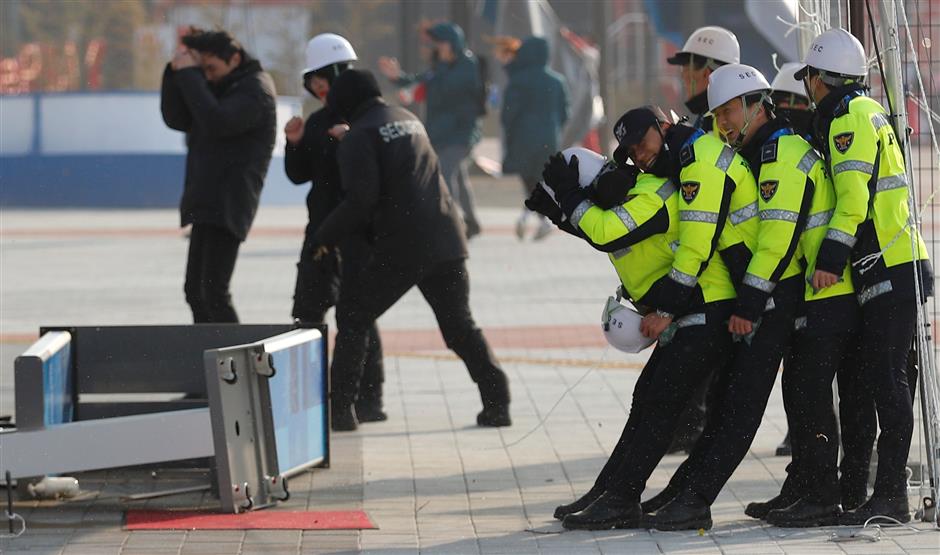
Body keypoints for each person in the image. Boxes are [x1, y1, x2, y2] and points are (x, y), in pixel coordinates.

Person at [550, 106, 757, 530]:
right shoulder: (660, 174)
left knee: (664, 403)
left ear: (662, 128)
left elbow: (616, 231)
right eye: (631, 151)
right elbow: (606, 231)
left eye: (643, 144)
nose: (639, 155)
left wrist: (665, 309)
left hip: (711, 304)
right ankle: (611, 491)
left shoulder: (662, 186)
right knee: (649, 399)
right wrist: (562, 211)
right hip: (702, 303)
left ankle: (625, 497)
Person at [642, 65, 828, 530]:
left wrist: (750, 306)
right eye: (718, 114)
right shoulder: (760, 151)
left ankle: (696, 499)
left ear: (756, 105)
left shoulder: (782, 154)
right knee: (740, 397)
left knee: (742, 403)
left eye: (728, 111)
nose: (723, 122)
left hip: (779, 292)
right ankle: (691, 490)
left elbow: (776, 244)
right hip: (775, 291)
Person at [312, 69, 511, 432]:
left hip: (404, 245)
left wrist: (323, 237)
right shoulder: (407, 119)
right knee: (459, 325)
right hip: (448, 236)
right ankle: (497, 401)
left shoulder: (360, 136)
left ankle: (340, 411)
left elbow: (360, 200)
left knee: (354, 315)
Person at [793, 28, 932, 524]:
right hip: (896, 259)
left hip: (886, 264)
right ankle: (883, 491)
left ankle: (891, 495)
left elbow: (853, 199)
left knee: (890, 383)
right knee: (890, 380)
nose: (808, 88)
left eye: (808, 78)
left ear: (819, 79)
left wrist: (830, 260)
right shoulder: (867, 109)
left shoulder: (846, 118)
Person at [282, 33, 386, 422]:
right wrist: (294, 143)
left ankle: (369, 398)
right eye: (314, 80)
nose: (319, 86)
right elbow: (300, 175)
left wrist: (349, 140)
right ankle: (306, 395)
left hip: (358, 232)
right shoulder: (316, 121)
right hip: (320, 230)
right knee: (307, 310)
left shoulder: (367, 119)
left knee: (358, 315)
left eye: (324, 78)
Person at [160, 28, 276, 323]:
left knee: (213, 292)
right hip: (207, 199)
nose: (207, 76)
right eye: (203, 70)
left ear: (235, 58)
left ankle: (234, 366)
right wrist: (176, 73)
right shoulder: (221, 85)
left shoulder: (255, 89)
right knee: (195, 291)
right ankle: (206, 357)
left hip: (229, 201)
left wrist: (191, 77)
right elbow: (178, 117)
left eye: (211, 69)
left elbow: (217, 122)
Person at [378, 22, 484, 238]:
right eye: (436, 43)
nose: (438, 47)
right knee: (459, 179)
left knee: (444, 173)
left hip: (462, 133)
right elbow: (417, 82)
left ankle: (450, 223)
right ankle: (472, 222)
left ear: (453, 43)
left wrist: (432, 75)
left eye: (441, 42)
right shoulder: (439, 67)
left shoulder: (466, 65)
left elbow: (448, 87)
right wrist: (397, 77)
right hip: (441, 132)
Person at [498, 35, 569, 241]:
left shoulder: (518, 81)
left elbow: (509, 114)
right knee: (540, 179)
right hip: (549, 138)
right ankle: (537, 218)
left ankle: (536, 218)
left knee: (529, 180)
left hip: (523, 138)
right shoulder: (556, 81)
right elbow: (565, 112)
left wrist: (509, 132)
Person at [666, 26, 739, 133]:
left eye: (686, 71)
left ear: (706, 73)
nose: (683, 79)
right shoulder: (732, 112)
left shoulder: (717, 119)